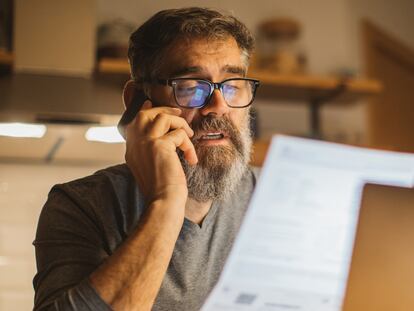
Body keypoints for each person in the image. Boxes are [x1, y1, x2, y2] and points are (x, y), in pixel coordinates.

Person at [33, 7, 260, 311]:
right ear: (138, 100)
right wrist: (166, 203)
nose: (218, 106)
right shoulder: (81, 206)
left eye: (232, 86)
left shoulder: (267, 199)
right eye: (191, 87)